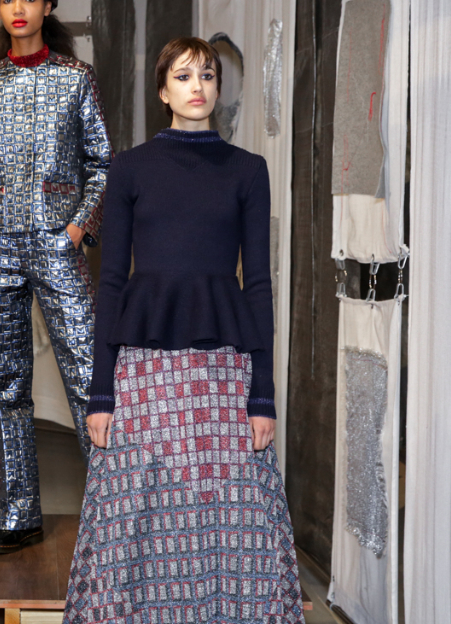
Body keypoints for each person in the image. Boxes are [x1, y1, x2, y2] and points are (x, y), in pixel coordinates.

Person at [64, 37, 304, 623]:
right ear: (163, 90)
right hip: (143, 370)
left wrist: (263, 395)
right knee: (133, 513)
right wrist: (101, 392)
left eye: (208, 75)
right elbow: (111, 281)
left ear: (218, 89)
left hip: (224, 371)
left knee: (233, 511)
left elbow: (259, 285)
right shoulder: (129, 168)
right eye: (183, 75)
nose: (197, 86)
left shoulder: (248, 170)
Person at [0, 0, 112, 554]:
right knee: (4, 384)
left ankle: (110, 515)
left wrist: (77, 228)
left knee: (87, 374)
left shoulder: (75, 77)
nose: (18, 9)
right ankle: (19, 516)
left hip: (56, 244)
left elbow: (103, 164)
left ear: (47, 6)